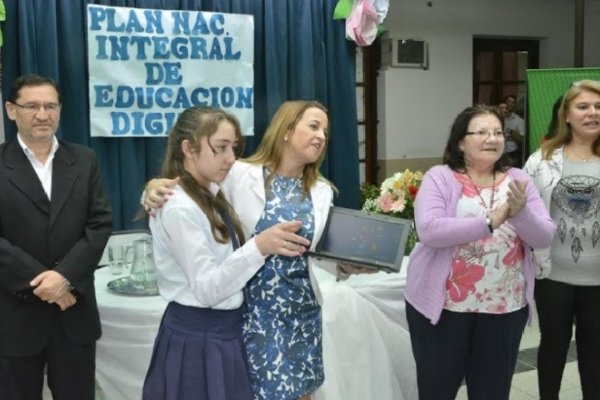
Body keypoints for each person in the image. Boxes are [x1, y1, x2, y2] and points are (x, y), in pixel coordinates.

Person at [144, 100, 334, 400]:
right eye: (313, 126)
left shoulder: (322, 191)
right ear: (285, 130)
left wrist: (346, 264)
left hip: (300, 314)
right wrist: (154, 188)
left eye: (325, 130)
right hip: (251, 316)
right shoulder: (238, 175)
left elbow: (314, 251)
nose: (321, 135)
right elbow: (186, 186)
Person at [404, 105, 555, 400]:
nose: (492, 138)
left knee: (492, 392)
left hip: (504, 308)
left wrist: (521, 213)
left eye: (498, 132)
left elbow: (544, 236)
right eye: (482, 132)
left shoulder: (519, 179)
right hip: (444, 309)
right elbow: (429, 230)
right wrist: (489, 222)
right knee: (437, 389)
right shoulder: (441, 177)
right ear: (461, 141)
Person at [0, 74, 113, 399]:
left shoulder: (84, 159)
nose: (42, 114)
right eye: (32, 106)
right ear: (11, 110)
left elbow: (100, 223)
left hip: (73, 315)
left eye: (50, 106)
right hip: (14, 319)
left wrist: (65, 277)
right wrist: (45, 282)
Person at [523, 79, 600, 400]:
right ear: (566, 114)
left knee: (595, 353)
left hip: (598, 281)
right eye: (583, 107)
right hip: (552, 275)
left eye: (598, 107)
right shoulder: (541, 159)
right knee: (552, 347)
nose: (592, 113)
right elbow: (523, 213)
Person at [503, 94, 526, 167]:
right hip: (498, 152)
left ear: (515, 105)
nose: (510, 104)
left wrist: (511, 132)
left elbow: (521, 139)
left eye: (513, 102)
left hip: (512, 153)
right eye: (509, 101)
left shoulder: (519, 120)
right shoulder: (498, 118)